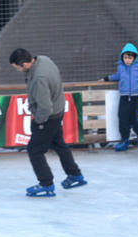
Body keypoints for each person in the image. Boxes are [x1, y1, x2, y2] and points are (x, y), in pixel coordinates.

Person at [9, 48, 86, 197]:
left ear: (24, 64)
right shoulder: (44, 59)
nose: (17, 70)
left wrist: (39, 121)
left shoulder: (39, 78)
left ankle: (46, 184)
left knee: (35, 150)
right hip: (58, 110)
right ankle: (75, 174)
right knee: (59, 144)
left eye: (17, 68)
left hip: (48, 117)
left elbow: (45, 106)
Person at [100, 43, 138, 151]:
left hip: (136, 99)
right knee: (123, 119)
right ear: (122, 57)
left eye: (130, 58)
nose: (127, 60)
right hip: (124, 98)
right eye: (125, 57)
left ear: (134, 58)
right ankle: (124, 141)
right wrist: (106, 78)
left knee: (137, 119)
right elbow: (116, 76)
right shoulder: (121, 67)